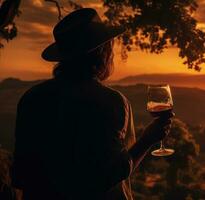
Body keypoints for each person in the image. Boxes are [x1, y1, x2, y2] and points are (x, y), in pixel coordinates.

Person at [11, 8, 173, 200]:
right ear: (103, 53)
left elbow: (20, 176)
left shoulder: (31, 99)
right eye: (110, 48)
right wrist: (148, 140)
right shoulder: (111, 103)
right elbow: (110, 175)